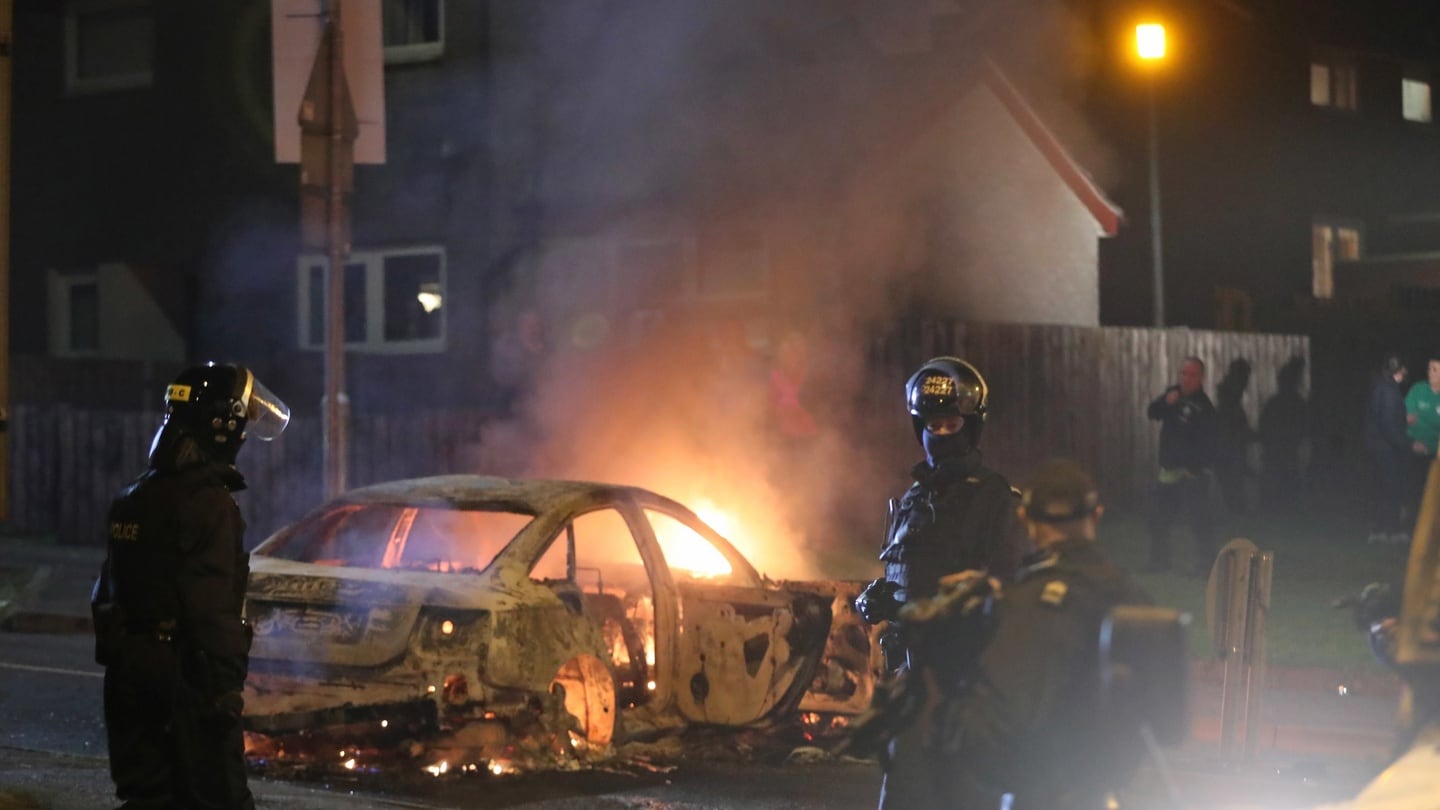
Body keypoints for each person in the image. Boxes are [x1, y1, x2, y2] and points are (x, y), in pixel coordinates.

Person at [91, 363, 290, 810]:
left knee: (147, 798)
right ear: (222, 426)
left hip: (128, 674)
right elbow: (211, 610)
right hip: (187, 680)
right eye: (241, 424)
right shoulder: (210, 505)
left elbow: (106, 592)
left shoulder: (133, 497)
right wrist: (223, 692)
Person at [853, 356, 1028, 810]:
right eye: (933, 423)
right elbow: (909, 573)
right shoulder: (911, 501)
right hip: (910, 686)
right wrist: (885, 598)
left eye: (951, 423)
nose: (941, 433)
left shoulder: (995, 501)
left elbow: (1007, 594)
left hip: (964, 689)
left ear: (971, 426)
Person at [935, 459, 1154, 809]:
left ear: (1026, 520)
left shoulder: (1017, 606)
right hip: (1105, 797)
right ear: (1096, 515)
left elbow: (986, 731)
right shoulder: (1136, 601)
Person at [1145, 357, 1219, 575]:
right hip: (1169, 469)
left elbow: (1209, 442)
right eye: (1184, 374)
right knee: (1158, 518)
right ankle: (1159, 562)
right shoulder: (1173, 394)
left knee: (1199, 520)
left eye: (1193, 374)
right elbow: (1153, 413)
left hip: (1191, 471)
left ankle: (1206, 565)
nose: (1187, 379)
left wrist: (1195, 468)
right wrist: (1166, 403)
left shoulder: (1204, 406)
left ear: (1201, 378)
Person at [1364, 354, 1413, 544]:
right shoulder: (1389, 391)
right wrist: (1407, 445)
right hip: (1387, 450)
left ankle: (1383, 529)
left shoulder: (1379, 387)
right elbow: (1388, 426)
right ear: (1399, 371)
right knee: (1390, 490)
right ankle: (1387, 530)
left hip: (1379, 448)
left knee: (1383, 489)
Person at [1258, 356, 1308, 514]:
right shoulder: (1292, 403)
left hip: (1281, 458)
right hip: (1280, 458)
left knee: (1282, 500)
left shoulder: (1281, 403)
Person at [1405, 354, 1440, 522]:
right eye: (1429, 368)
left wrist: (1431, 447)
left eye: (1434, 369)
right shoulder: (1418, 389)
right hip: (1414, 449)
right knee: (1414, 488)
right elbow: (1406, 417)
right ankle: (1411, 522)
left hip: (1436, 453)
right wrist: (1412, 442)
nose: (1430, 372)